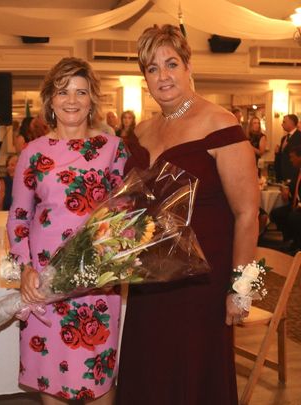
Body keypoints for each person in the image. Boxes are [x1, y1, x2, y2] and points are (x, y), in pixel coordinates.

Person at [115, 25, 258, 405]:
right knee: (150, 368)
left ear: (188, 66)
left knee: (193, 373)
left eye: (171, 64)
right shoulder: (143, 130)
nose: (163, 76)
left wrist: (240, 288)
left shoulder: (220, 122)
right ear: (144, 78)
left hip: (202, 283)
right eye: (152, 68)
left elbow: (247, 213)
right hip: (150, 278)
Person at [7, 57, 126, 404]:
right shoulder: (32, 153)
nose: (71, 100)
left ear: (92, 100)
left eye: (81, 92)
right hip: (45, 286)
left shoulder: (113, 149)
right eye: (62, 92)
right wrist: (26, 267)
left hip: (97, 282)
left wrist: (109, 256)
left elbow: (122, 215)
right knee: (52, 381)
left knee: (98, 378)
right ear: (50, 100)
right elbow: (17, 217)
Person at [269, 145, 301, 253]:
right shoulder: (297, 171)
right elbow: (292, 186)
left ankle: (298, 244)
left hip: (299, 207)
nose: (291, 160)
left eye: (292, 157)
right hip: (295, 205)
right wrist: (285, 188)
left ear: (299, 157)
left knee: (294, 217)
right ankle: (289, 239)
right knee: (276, 213)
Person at [274, 114, 301, 183]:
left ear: (291, 122)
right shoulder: (283, 138)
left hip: (293, 176)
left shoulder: (299, 136)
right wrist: (277, 152)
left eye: (284, 122)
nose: (282, 124)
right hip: (282, 175)